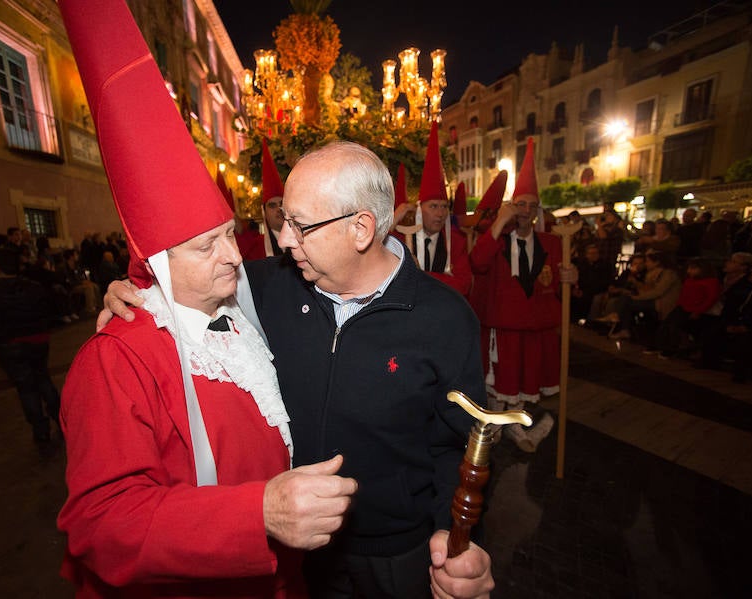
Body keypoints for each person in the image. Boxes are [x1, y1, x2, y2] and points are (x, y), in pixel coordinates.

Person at [103, 141, 496, 599]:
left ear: (361, 228)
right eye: (284, 220)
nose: (285, 239)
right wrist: (139, 291)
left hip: (398, 553)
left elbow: (461, 445)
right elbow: (187, 276)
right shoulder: (265, 287)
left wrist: (452, 534)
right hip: (296, 551)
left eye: (300, 225)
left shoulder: (445, 318)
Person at [57, 1, 356, 596]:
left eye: (227, 235)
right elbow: (100, 523)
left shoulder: (242, 309)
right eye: (204, 248)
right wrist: (258, 515)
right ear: (159, 267)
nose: (230, 256)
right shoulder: (116, 360)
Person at [469, 137, 575, 453]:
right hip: (502, 326)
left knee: (524, 382)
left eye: (531, 205)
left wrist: (571, 278)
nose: (526, 211)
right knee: (499, 381)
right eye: (520, 204)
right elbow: (478, 263)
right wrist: (500, 222)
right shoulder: (498, 239)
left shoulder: (554, 244)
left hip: (536, 327)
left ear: (538, 210)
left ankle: (514, 424)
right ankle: (494, 423)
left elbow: (556, 283)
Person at [0, 249, 61, 453]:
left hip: (10, 345)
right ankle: (61, 419)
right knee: (43, 379)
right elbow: (49, 309)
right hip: (38, 341)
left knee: (27, 388)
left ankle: (41, 430)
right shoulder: (34, 288)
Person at [392, 121, 472, 297]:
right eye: (434, 206)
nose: (441, 213)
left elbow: (462, 285)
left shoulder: (457, 242)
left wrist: (419, 275)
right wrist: (394, 220)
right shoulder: (403, 238)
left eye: (444, 207)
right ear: (419, 209)